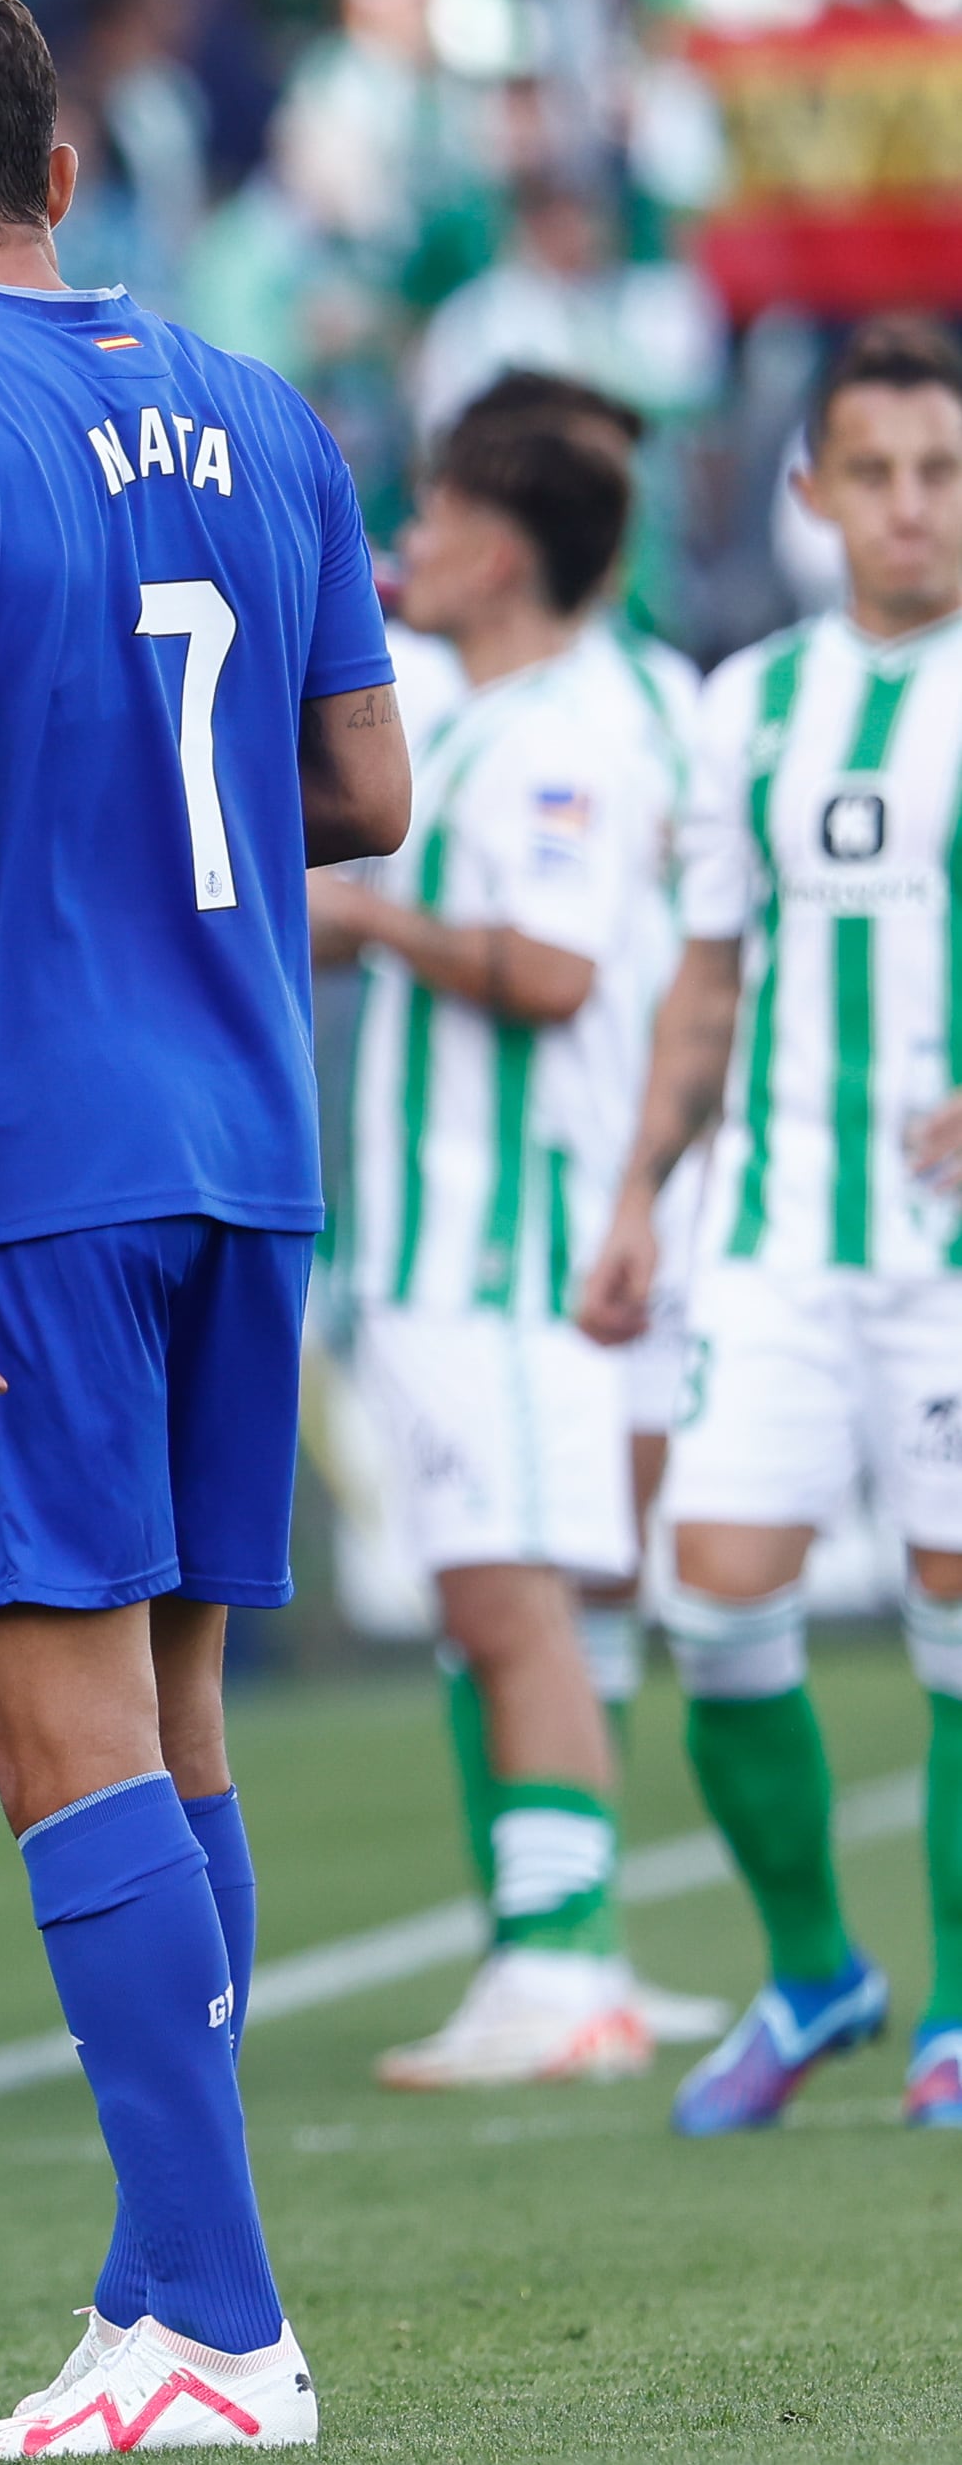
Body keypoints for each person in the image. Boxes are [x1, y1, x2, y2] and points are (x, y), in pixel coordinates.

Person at [0, 0, 408, 2459]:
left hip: (42, 1156)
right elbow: (364, 787)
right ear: (69, 173)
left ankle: (222, 2330)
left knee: (49, 1720)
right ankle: (171, 2285)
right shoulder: (267, 415)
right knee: (170, 1724)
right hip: (246, 1137)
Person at [579, 316, 962, 2140]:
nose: (908, 508)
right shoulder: (748, 708)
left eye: (940, 473)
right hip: (784, 1240)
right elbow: (708, 990)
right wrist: (640, 1196)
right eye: (873, 474)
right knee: (712, 1601)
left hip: (954, 1262)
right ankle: (816, 1968)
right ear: (810, 492)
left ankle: (961, 2014)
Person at [321, 417, 683, 2086]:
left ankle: (563, 1964)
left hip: (505, 1237)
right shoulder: (485, 721)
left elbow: (551, 971)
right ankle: (559, 1950)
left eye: (443, 515)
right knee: (507, 1597)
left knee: (513, 1600)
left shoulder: (559, 741)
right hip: (451, 1235)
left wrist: (374, 921)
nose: (416, 536)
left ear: (509, 552)